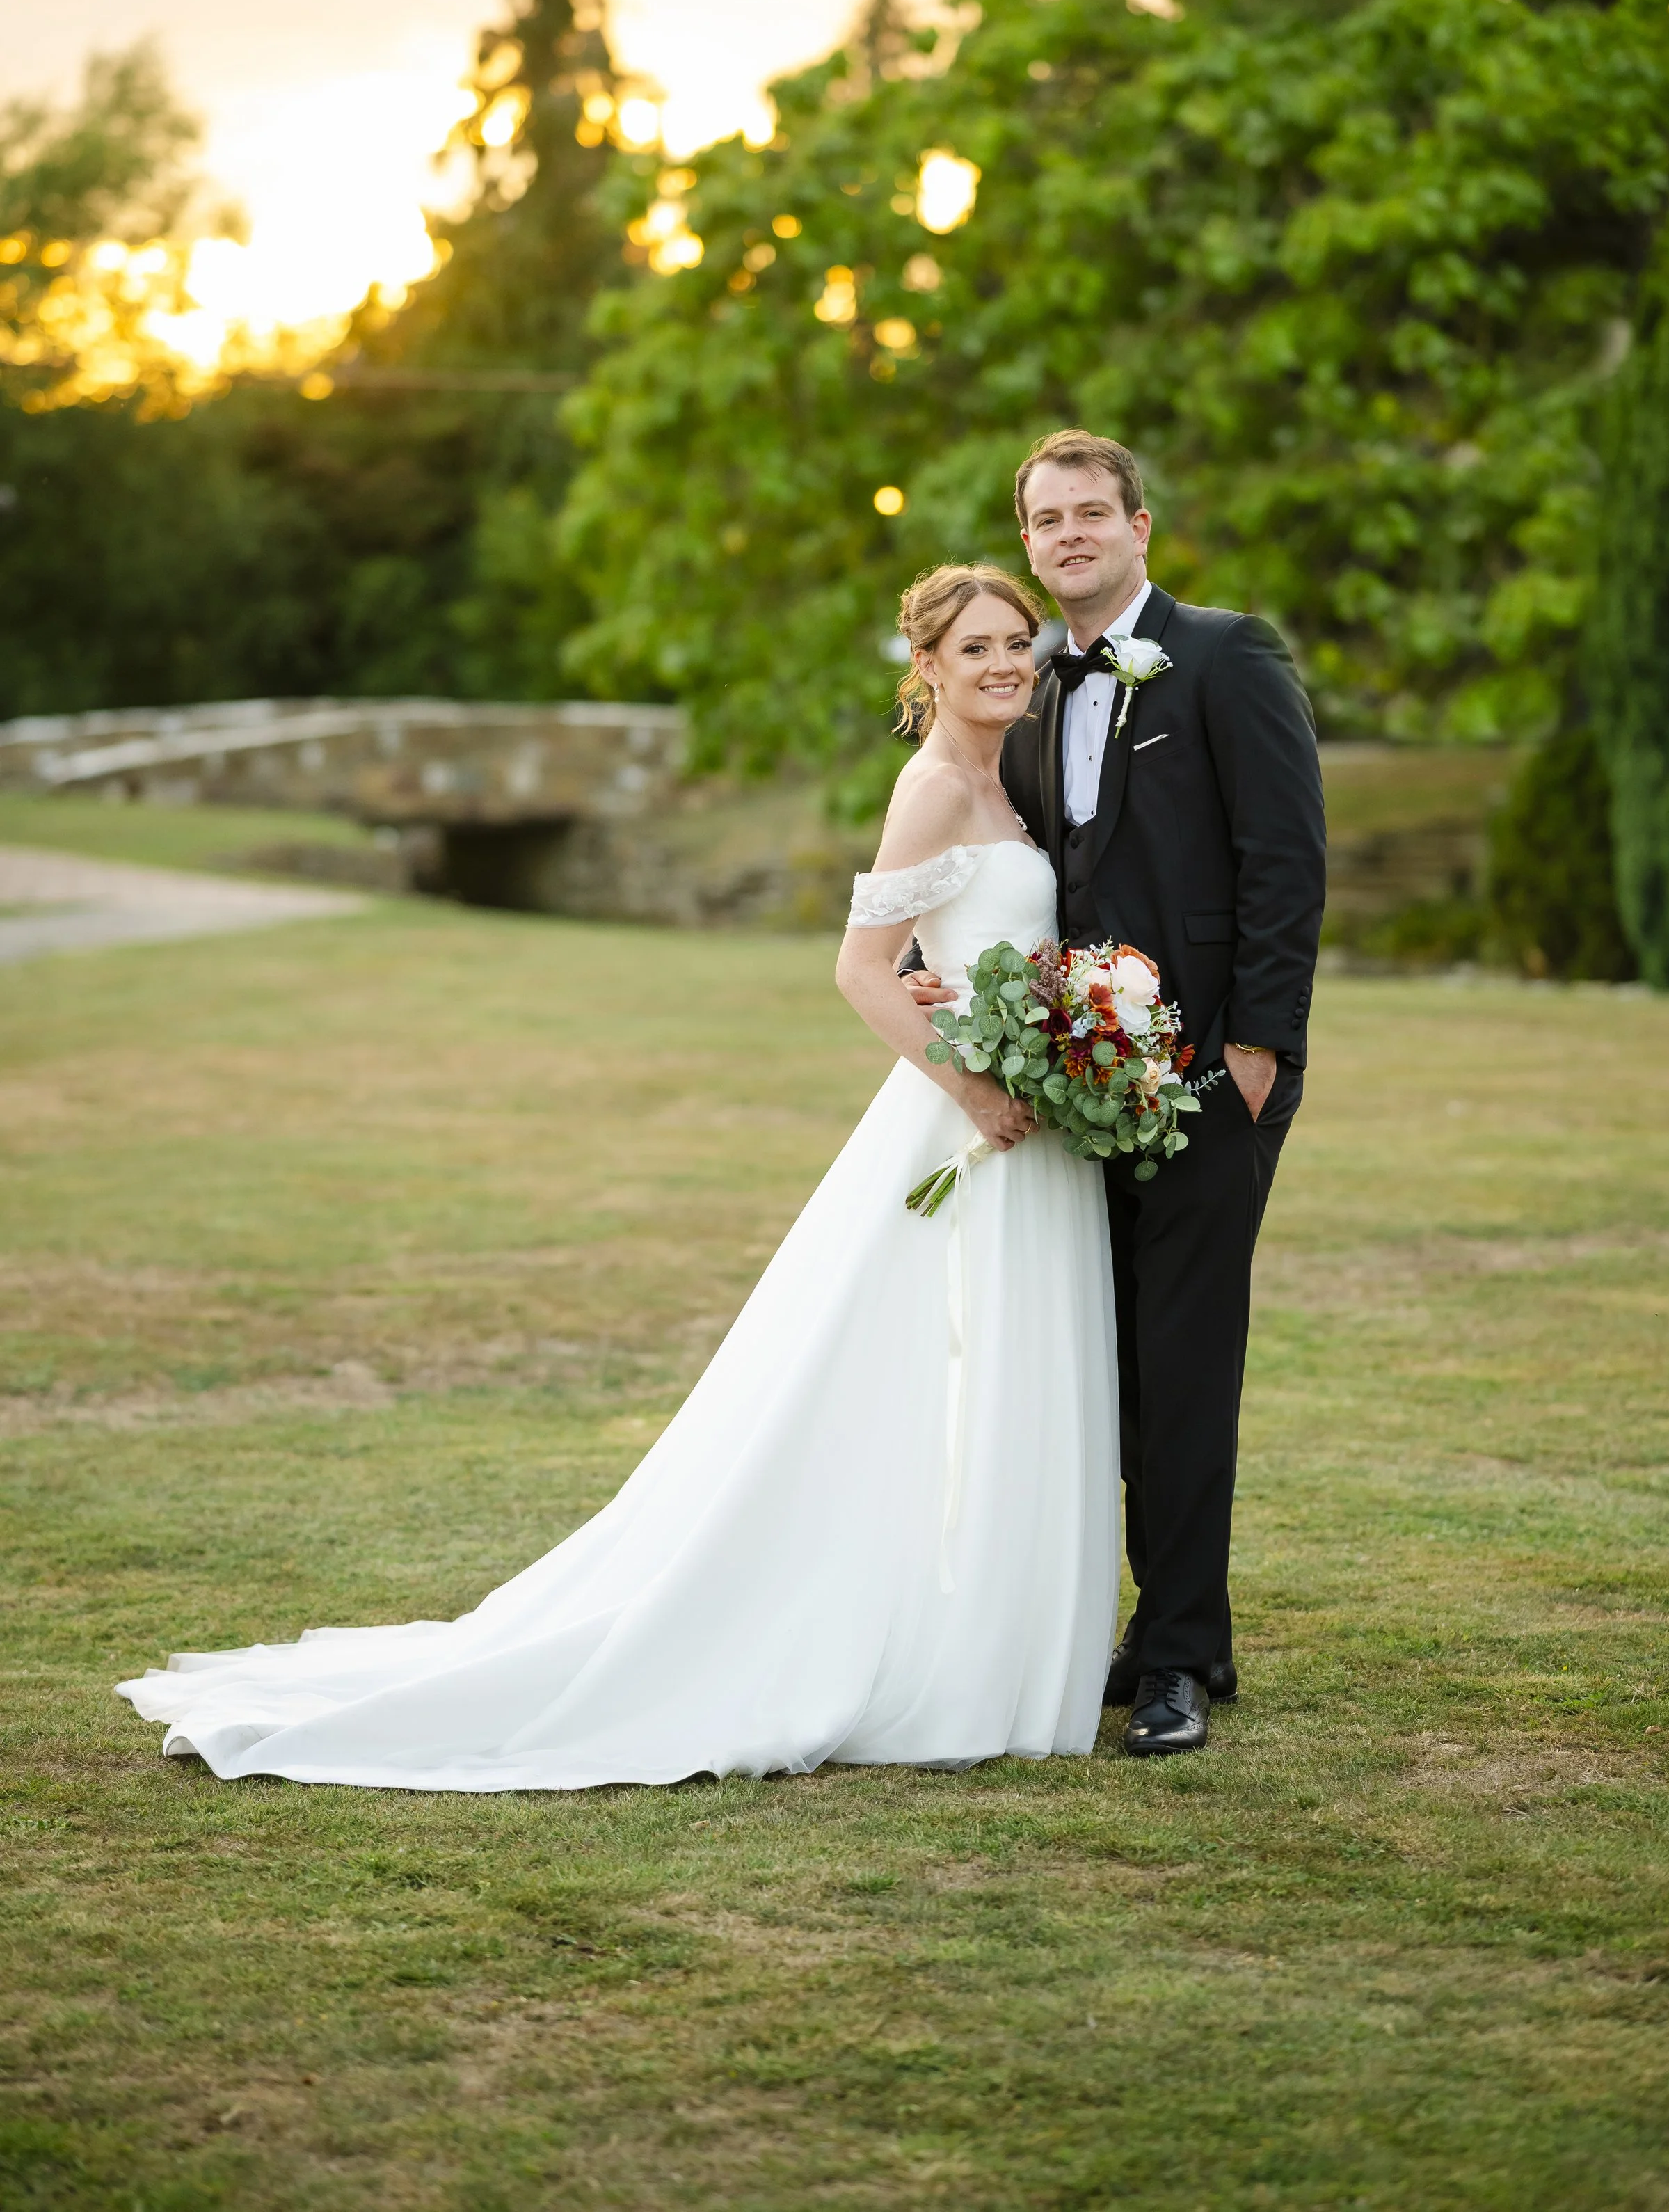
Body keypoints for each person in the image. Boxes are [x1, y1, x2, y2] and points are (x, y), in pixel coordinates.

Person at [116, 565, 1119, 1791]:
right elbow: (862, 969)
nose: (1007, 662)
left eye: (1018, 642)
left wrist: (1050, 1030)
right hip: (965, 1127)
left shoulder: (1006, 780)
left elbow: (968, 945)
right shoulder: (928, 787)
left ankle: (989, 1625)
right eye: (978, 648)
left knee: (993, 1373)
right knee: (909, 1368)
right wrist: (969, 1083)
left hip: (1026, 1120)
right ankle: (927, 1641)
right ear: (931, 666)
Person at [905, 431, 1325, 1756]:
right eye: (1047, 517)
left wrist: (1256, 1049)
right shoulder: (1025, 693)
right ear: (1026, 540)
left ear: (1140, 526)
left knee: (1189, 1358)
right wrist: (938, 974)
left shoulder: (1225, 655)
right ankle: (1152, 1625)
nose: (1070, 533)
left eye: (1094, 512)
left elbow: (1287, 858)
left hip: (1210, 1078)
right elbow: (1015, 874)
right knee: (1111, 1358)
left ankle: (1187, 1652)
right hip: (1081, 1082)